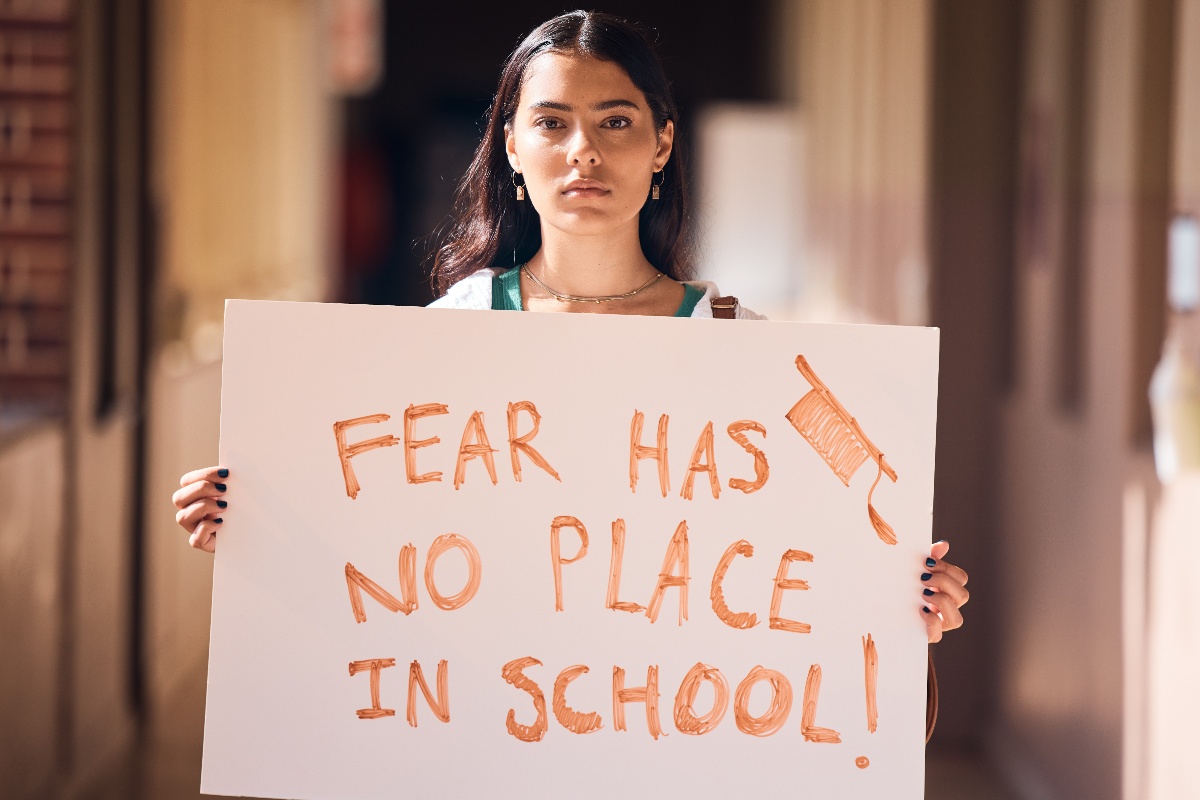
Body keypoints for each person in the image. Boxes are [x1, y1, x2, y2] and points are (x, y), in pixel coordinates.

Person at [172, 11, 968, 648]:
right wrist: (253, 523)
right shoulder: (456, 332)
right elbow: (370, 539)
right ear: (512, 148)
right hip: (482, 735)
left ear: (661, 143)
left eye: (615, 122)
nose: (583, 151)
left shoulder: (747, 351)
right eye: (551, 124)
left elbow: (832, 532)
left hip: (675, 735)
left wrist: (900, 600)